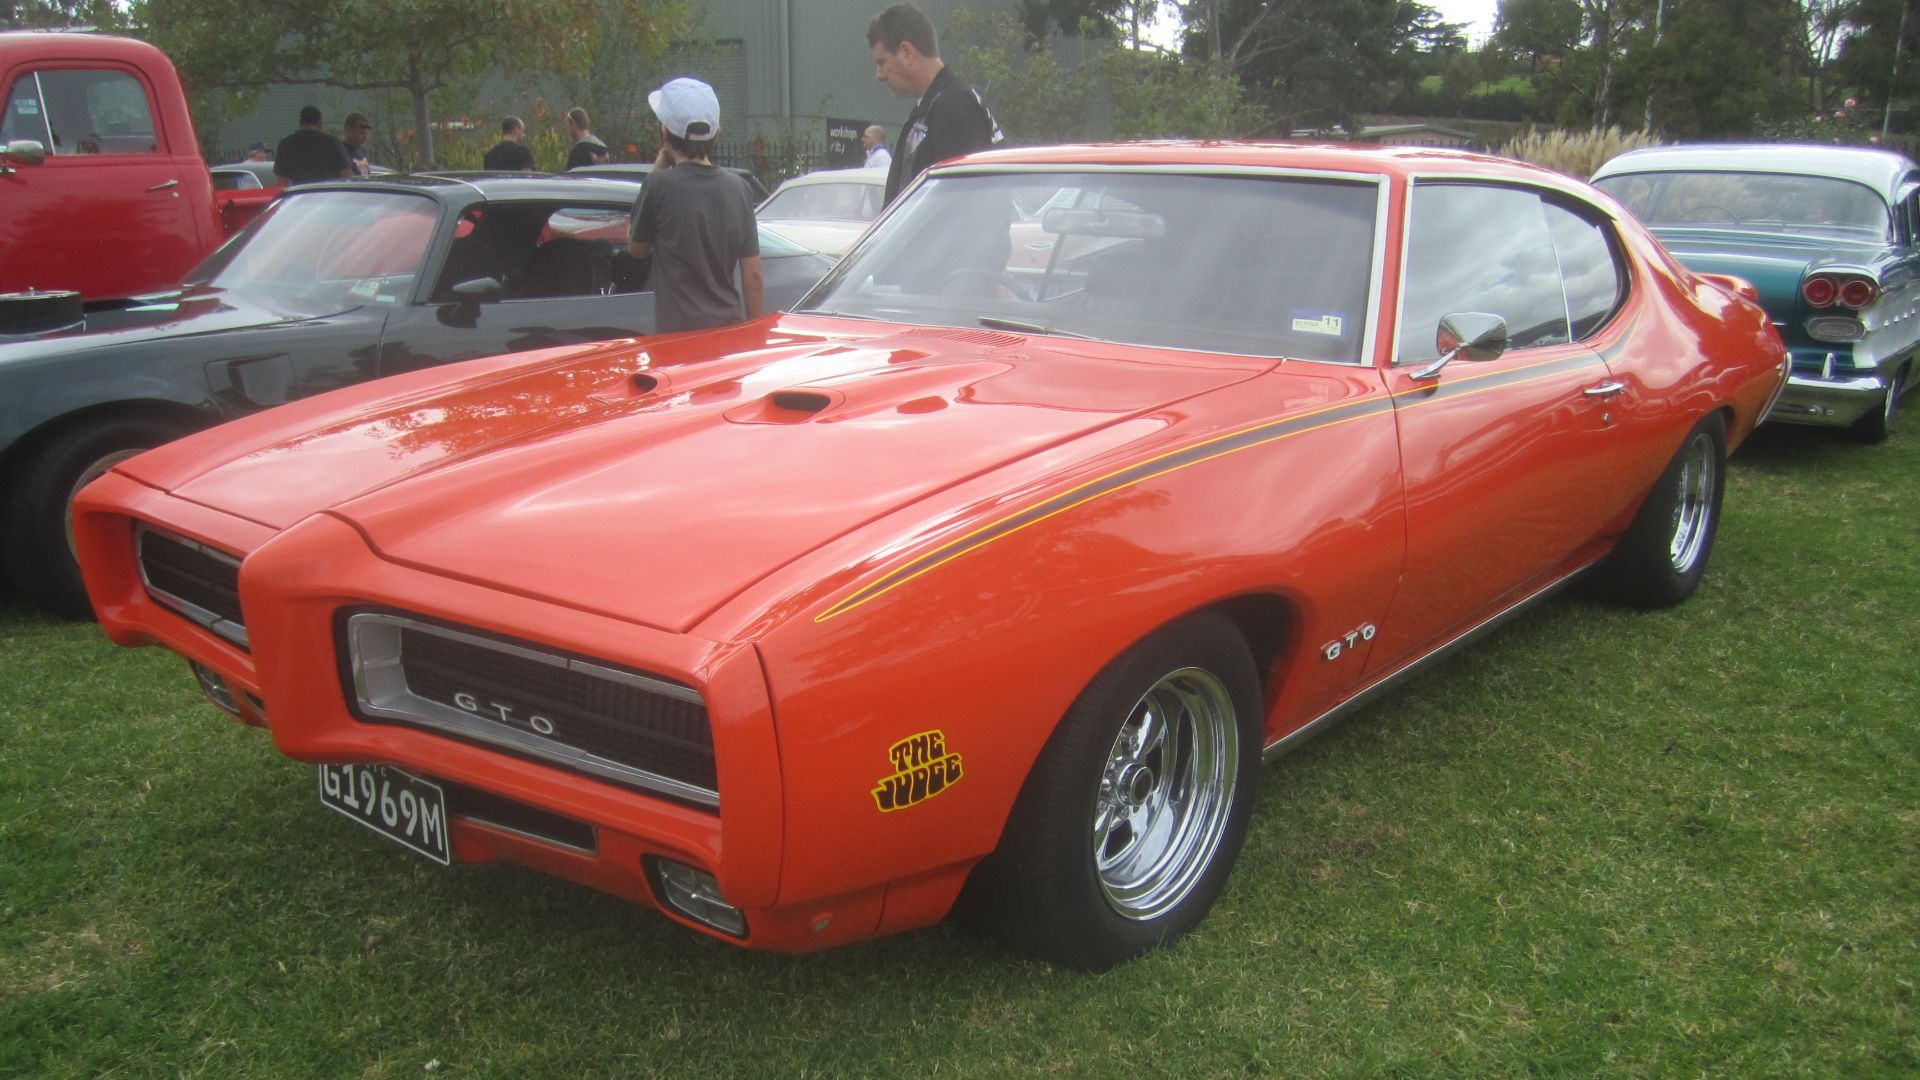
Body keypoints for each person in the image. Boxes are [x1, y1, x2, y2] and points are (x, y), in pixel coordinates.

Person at [627, 77, 762, 334]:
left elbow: (636, 247)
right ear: (716, 133)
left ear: (664, 132)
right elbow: (753, 274)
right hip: (728, 333)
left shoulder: (659, 186)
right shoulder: (739, 188)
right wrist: (752, 334)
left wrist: (658, 166)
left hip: (678, 338)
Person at [868, 2, 1001, 204]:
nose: (879, 75)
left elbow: (969, 206)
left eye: (881, 62)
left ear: (907, 52)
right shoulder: (933, 107)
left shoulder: (954, 107)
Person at [272, 105, 351, 186]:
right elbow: (347, 177)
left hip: (301, 195)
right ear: (320, 124)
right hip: (329, 194)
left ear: (300, 123)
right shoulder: (333, 143)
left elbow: (281, 183)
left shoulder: (285, 145)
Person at [341, 112, 372, 176]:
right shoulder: (340, 151)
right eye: (361, 133)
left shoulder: (362, 151)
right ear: (348, 130)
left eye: (366, 134)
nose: (365, 138)